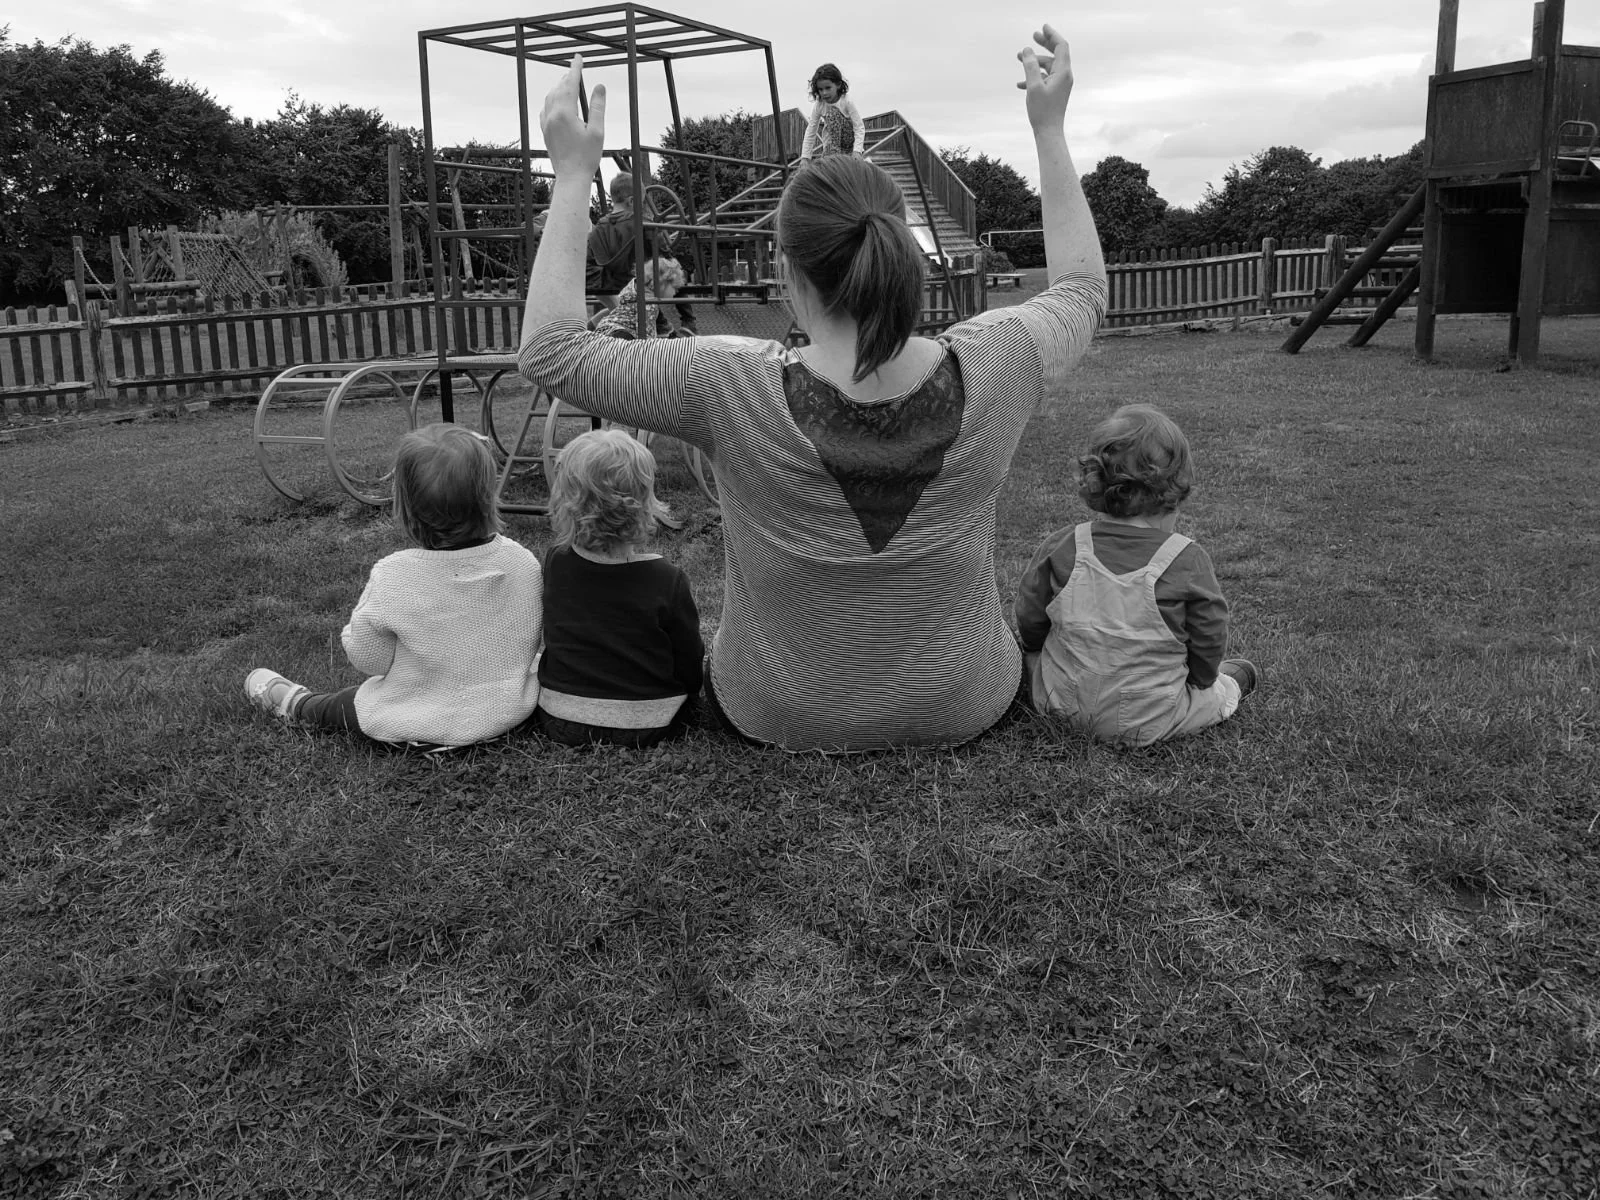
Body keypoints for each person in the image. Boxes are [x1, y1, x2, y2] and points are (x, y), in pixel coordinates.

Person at [519, 24, 1107, 751]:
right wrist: (1049, 128)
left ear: (787, 270)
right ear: (903, 251)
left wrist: (575, 175)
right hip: (963, 702)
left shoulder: (725, 381)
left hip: (776, 713)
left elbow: (550, 350)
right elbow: (1082, 291)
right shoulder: (1001, 359)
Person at [244, 424, 543, 747]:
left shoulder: (394, 575)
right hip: (508, 709)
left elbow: (370, 659)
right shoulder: (522, 562)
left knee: (350, 702)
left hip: (418, 714)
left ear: (406, 505)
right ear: (488, 495)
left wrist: (351, 634)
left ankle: (299, 705)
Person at [1014, 404, 1258, 747]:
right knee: (1217, 691)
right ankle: (1233, 682)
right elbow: (1209, 634)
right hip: (1149, 718)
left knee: (1029, 659)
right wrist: (1203, 680)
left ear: (1095, 483)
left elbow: (1029, 615)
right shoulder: (1187, 560)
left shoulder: (1063, 545)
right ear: (1173, 494)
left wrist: (1037, 650)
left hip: (1059, 703)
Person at [535, 429, 704, 747]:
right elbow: (688, 658)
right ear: (645, 503)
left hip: (560, 719)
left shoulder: (557, 561)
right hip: (649, 723)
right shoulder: (666, 578)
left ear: (564, 499)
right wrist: (693, 693)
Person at [593, 257, 688, 340]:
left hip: (606, 329)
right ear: (663, 283)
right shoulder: (648, 303)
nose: (675, 292)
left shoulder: (634, 286)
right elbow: (646, 333)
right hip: (621, 334)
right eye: (675, 288)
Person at [798, 63, 866, 163]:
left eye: (828, 88)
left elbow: (859, 127)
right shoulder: (819, 104)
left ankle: (838, 154)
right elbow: (811, 130)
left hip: (849, 145)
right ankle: (831, 156)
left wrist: (857, 151)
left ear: (838, 85)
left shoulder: (846, 101)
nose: (824, 93)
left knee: (832, 113)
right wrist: (805, 158)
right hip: (831, 147)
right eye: (820, 89)